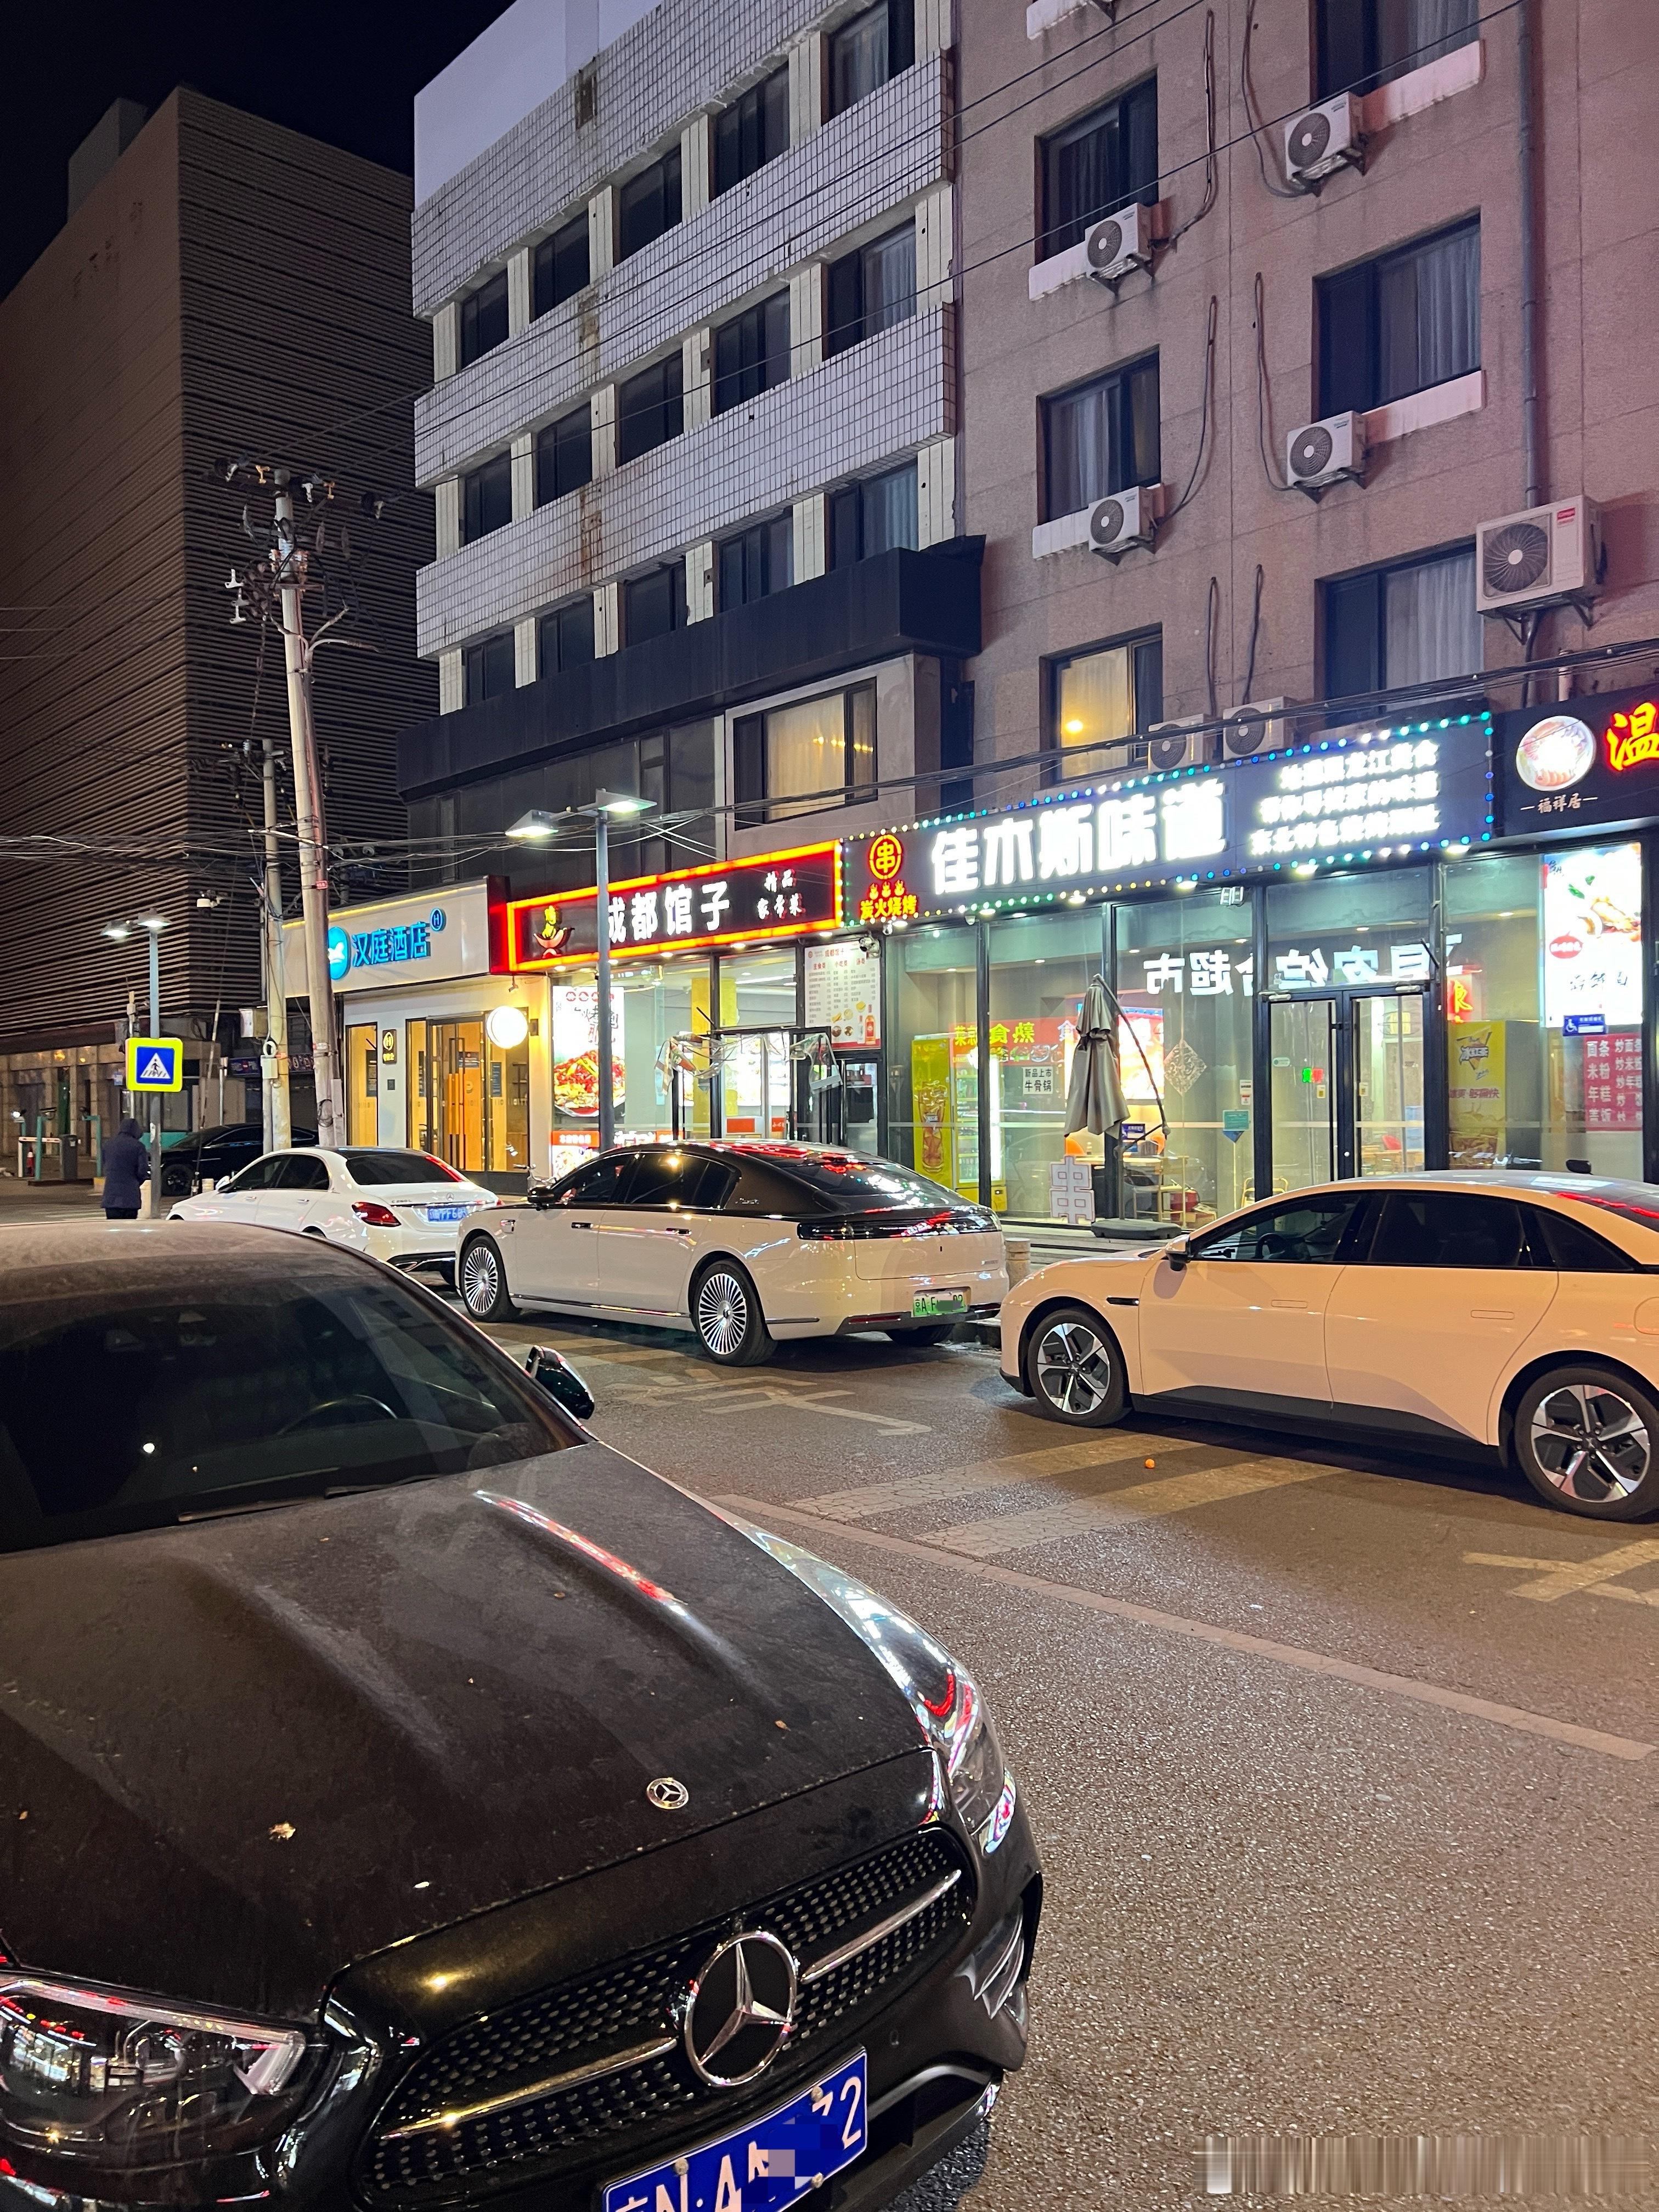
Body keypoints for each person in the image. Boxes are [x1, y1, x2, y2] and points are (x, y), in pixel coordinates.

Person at [101, 1118, 151, 1222]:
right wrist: (136, 1182)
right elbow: (142, 1172)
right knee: (129, 1228)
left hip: (111, 1197)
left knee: (113, 1227)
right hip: (130, 1197)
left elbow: (105, 1166)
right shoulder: (139, 1146)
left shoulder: (108, 1144)